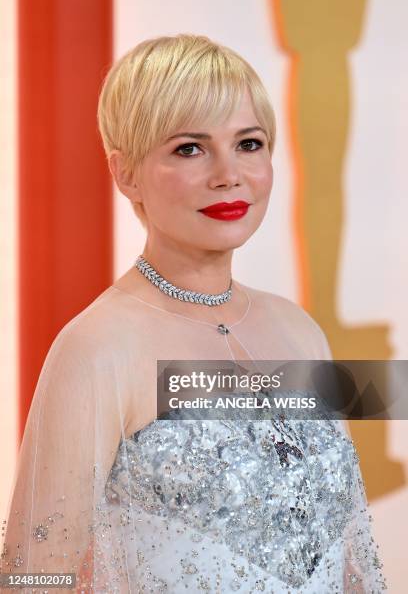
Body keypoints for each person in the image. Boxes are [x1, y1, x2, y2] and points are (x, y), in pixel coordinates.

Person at [1, 34, 386, 593]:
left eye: (249, 144)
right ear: (126, 173)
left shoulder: (300, 331)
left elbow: (349, 559)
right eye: (190, 148)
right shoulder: (99, 347)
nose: (228, 174)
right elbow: (35, 578)